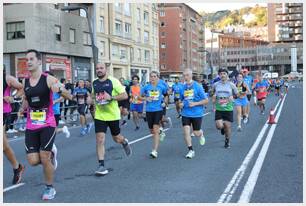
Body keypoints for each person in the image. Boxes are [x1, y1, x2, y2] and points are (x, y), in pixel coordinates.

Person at [18, 49, 72, 200]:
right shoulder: (25, 81)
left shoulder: (48, 79)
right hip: (31, 125)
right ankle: (52, 154)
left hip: (47, 123)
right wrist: (22, 107)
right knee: (33, 161)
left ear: (39, 61)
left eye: (31, 59)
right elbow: (26, 100)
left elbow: (69, 95)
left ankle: (50, 188)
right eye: (27, 59)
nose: (28, 62)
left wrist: (60, 89)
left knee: (44, 157)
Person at [92, 63, 132, 176]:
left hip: (113, 115)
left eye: (101, 68)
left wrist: (112, 98)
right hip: (100, 115)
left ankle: (124, 141)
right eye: (97, 69)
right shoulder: (94, 83)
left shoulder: (113, 81)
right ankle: (101, 165)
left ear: (106, 70)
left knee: (116, 138)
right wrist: (91, 101)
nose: (99, 70)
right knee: (100, 139)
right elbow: (93, 96)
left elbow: (124, 95)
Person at [179, 69, 208, 159]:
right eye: (184, 75)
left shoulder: (198, 86)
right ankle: (191, 150)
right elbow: (181, 99)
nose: (185, 77)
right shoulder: (182, 87)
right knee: (186, 132)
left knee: (196, 133)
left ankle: (201, 133)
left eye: (187, 75)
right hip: (185, 113)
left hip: (197, 113)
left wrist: (195, 104)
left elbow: (206, 100)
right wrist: (180, 104)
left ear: (191, 76)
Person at [3, 66, 25, 185]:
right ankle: (17, 168)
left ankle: (17, 168)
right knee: (4, 145)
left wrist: (13, 97)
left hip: (3, 112)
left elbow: (22, 88)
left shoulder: (7, 79)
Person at [141, 71, 168, 158]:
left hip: (158, 109)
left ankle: (154, 151)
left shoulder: (161, 86)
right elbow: (139, 96)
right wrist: (146, 98)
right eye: (151, 76)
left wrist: (165, 102)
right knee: (151, 131)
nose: (152, 78)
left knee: (155, 129)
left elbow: (166, 95)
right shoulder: (146, 87)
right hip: (149, 111)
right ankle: (160, 131)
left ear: (157, 77)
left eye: (154, 76)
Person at [212, 68, 238, 148]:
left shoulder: (231, 85)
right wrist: (213, 96)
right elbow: (211, 92)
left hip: (228, 108)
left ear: (227, 75)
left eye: (224, 73)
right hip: (219, 108)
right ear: (219, 75)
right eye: (221, 74)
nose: (222, 75)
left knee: (228, 126)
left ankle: (227, 141)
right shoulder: (216, 84)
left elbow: (237, 95)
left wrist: (233, 97)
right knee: (219, 126)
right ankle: (222, 128)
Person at [46, 72, 70, 138]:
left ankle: (62, 130)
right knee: (45, 129)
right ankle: (62, 130)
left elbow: (64, 96)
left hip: (55, 111)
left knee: (52, 130)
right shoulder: (44, 86)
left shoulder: (58, 86)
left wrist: (55, 101)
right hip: (45, 111)